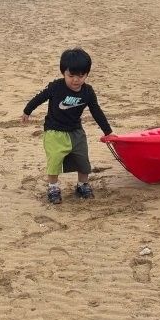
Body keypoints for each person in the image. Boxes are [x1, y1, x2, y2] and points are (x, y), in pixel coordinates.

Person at [21, 47, 113, 204]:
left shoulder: (88, 92)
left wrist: (108, 132)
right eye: (71, 76)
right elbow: (39, 98)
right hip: (54, 132)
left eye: (81, 76)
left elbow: (96, 111)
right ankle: (53, 187)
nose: (76, 80)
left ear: (86, 74)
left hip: (76, 132)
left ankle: (82, 185)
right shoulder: (56, 87)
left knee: (83, 161)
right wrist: (27, 111)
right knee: (54, 161)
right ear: (63, 72)